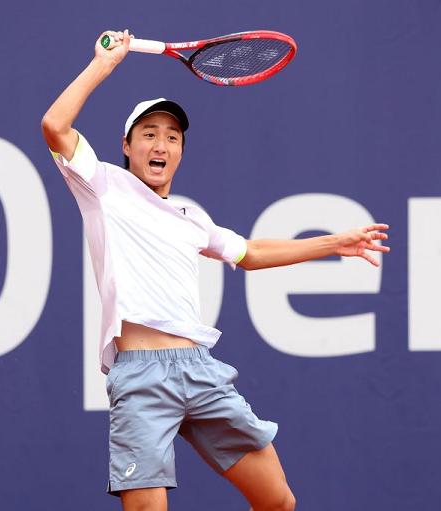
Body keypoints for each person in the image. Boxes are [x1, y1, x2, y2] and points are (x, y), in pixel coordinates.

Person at [41, 29, 390, 511]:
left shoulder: (191, 219)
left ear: (181, 150)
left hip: (200, 371)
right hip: (140, 376)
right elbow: (55, 125)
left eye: (172, 136)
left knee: (278, 501)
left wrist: (336, 242)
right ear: (126, 145)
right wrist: (105, 63)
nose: (161, 144)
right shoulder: (102, 185)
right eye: (149, 134)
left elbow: (250, 254)